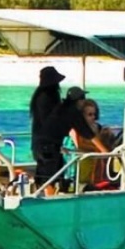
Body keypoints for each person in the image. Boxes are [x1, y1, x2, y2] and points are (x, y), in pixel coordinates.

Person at [27, 66, 72, 194]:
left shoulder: (40, 97)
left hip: (41, 144)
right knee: (49, 177)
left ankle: (47, 196)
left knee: (47, 175)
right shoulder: (47, 97)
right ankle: (49, 198)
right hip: (48, 145)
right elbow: (51, 120)